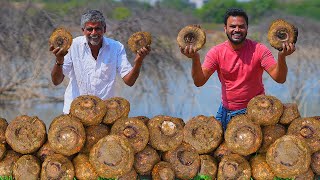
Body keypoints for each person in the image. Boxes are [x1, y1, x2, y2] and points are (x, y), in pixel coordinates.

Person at [180, 8, 295, 130]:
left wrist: (282, 56)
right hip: (226, 113)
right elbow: (199, 81)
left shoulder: (259, 50)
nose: (237, 30)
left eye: (241, 26)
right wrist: (195, 58)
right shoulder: (216, 52)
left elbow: (280, 78)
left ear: (247, 28)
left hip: (256, 113)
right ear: (225, 28)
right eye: (232, 26)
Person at [50, 10, 151, 114]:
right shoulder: (72, 46)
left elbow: (129, 81)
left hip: (103, 114)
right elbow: (56, 81)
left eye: (97, 28)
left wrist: (139, 61)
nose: (94, 33)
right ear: (83, 30)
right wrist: (59, 59)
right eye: (89, 29)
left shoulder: (116, 47)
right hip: (75, 112)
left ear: (104, 29)